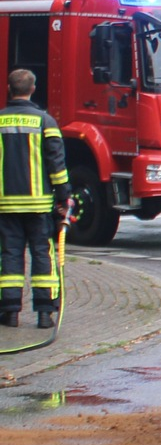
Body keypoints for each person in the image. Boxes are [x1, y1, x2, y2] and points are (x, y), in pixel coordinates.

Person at [0, 69, 70, 329]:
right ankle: (44, 314)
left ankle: (9, 313)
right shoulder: (45, 121)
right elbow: (57, 164)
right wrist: (64, 196)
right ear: (33, 88)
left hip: (6, 204)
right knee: (42, 255)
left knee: (9, 255)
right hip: (40, 205)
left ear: (9, 88)